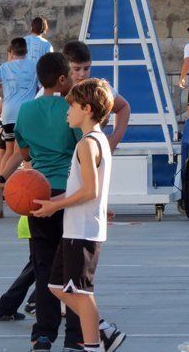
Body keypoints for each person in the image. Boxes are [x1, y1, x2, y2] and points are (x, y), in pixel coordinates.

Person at [34, 78, 123, 352]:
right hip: (75, 229)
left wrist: (55, 207)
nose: (67, 112)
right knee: (56, 286)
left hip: (82, 231)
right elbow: (80, 189)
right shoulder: (97, 140)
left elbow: (89, 192)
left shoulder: (87, 144)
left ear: (86, 108)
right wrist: (51, 200)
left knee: (81, 295)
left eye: (70, 106)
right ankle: (104, 329)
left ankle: (95, 345)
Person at [12, 52, 83, 351]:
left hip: (36, 194)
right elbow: (82, 146)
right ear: (63, 78)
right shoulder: (71, 109)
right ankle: (76, 336)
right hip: (67, 193)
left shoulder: (26, 110)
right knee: (72, 268)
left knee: (43, 266)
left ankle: (43, 333)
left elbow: (25, 153)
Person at [62, 41, 131, 151]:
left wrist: (113, 141)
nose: (82, 74)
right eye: (77, 69)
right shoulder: (55, 89)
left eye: (86, 68)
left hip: (91, 150)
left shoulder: (97, 90)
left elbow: (124, 107)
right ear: (66, 66)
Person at [0, 37, 38, 177]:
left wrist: (5, 94)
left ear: (12, 51)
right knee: (24, 152)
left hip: (8, 113)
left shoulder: (4, 67)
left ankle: (0, 186)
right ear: (26, 50)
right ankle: (27, 184)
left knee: (9, 151)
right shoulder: (34, 66)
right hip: (26, 113)